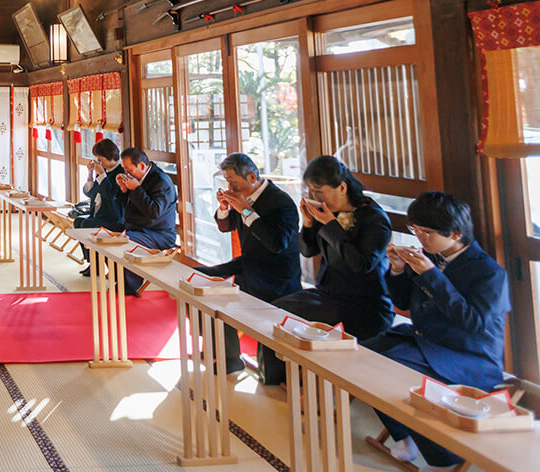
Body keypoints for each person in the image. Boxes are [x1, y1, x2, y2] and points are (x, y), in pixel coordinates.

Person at [368, 192, 509, 472]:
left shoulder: (489, 273)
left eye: (426, 231)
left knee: (391, 368)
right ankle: (404, 436)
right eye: (415, 229)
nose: (419, 237)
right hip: (428, 343)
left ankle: (444, 460)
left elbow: (473, 323)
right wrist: (396, 269)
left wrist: (431, 274)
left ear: (455, 233)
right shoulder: (430, 256)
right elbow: (403, 302)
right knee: (364, 357)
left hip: (470, 356)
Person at [263, 155, 392, 384]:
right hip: (329, 293)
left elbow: (362, 265)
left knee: (289, 314)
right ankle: (280, 381)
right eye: (311, 191)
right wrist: (309, 223)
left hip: (364, 303)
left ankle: (301, 383)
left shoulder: (374, 219)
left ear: (342, 187)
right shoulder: (326, 214)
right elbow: (307, 250)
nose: (315, 197)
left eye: (319, 191)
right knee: (277, 312)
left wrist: (331, 224)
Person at [196, 152, 300, 374]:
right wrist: (224, 207)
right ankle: (226, 357)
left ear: (252, 177)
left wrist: (246, 210)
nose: (230, 189)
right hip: (248, 263)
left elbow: (277, 244)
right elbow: (226, 227)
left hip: (276, 274)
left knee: (224, 297)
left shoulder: (281, 202)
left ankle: (241, 360)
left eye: (233, 183)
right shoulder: (242, 198)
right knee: (197, 278)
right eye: (228, 183)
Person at [116, 147, 178, 296]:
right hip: (139, 228)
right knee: (110, 236)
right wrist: (124, 190)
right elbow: (128, 207)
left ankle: (130, 285)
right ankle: (121, 279)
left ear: (142, 166)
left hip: (159, 233)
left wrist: (136, 189)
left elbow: (154, 213)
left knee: (126, 241)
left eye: (129, 170)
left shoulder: (161, 182)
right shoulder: (138, 178)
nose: (127, 174)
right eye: (125, 170)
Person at [74, 139, 125, 277]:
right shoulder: (102, 171)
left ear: (109, 157)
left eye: (100, 158)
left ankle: (99, 264)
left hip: (114, 217)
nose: (98, 162)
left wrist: (102, 174)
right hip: (98, 213)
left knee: (87, 224)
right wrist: (90, 174)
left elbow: (111, 195)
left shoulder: (120, 173)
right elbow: (90, 193)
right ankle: (93, 263)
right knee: (78, 222)